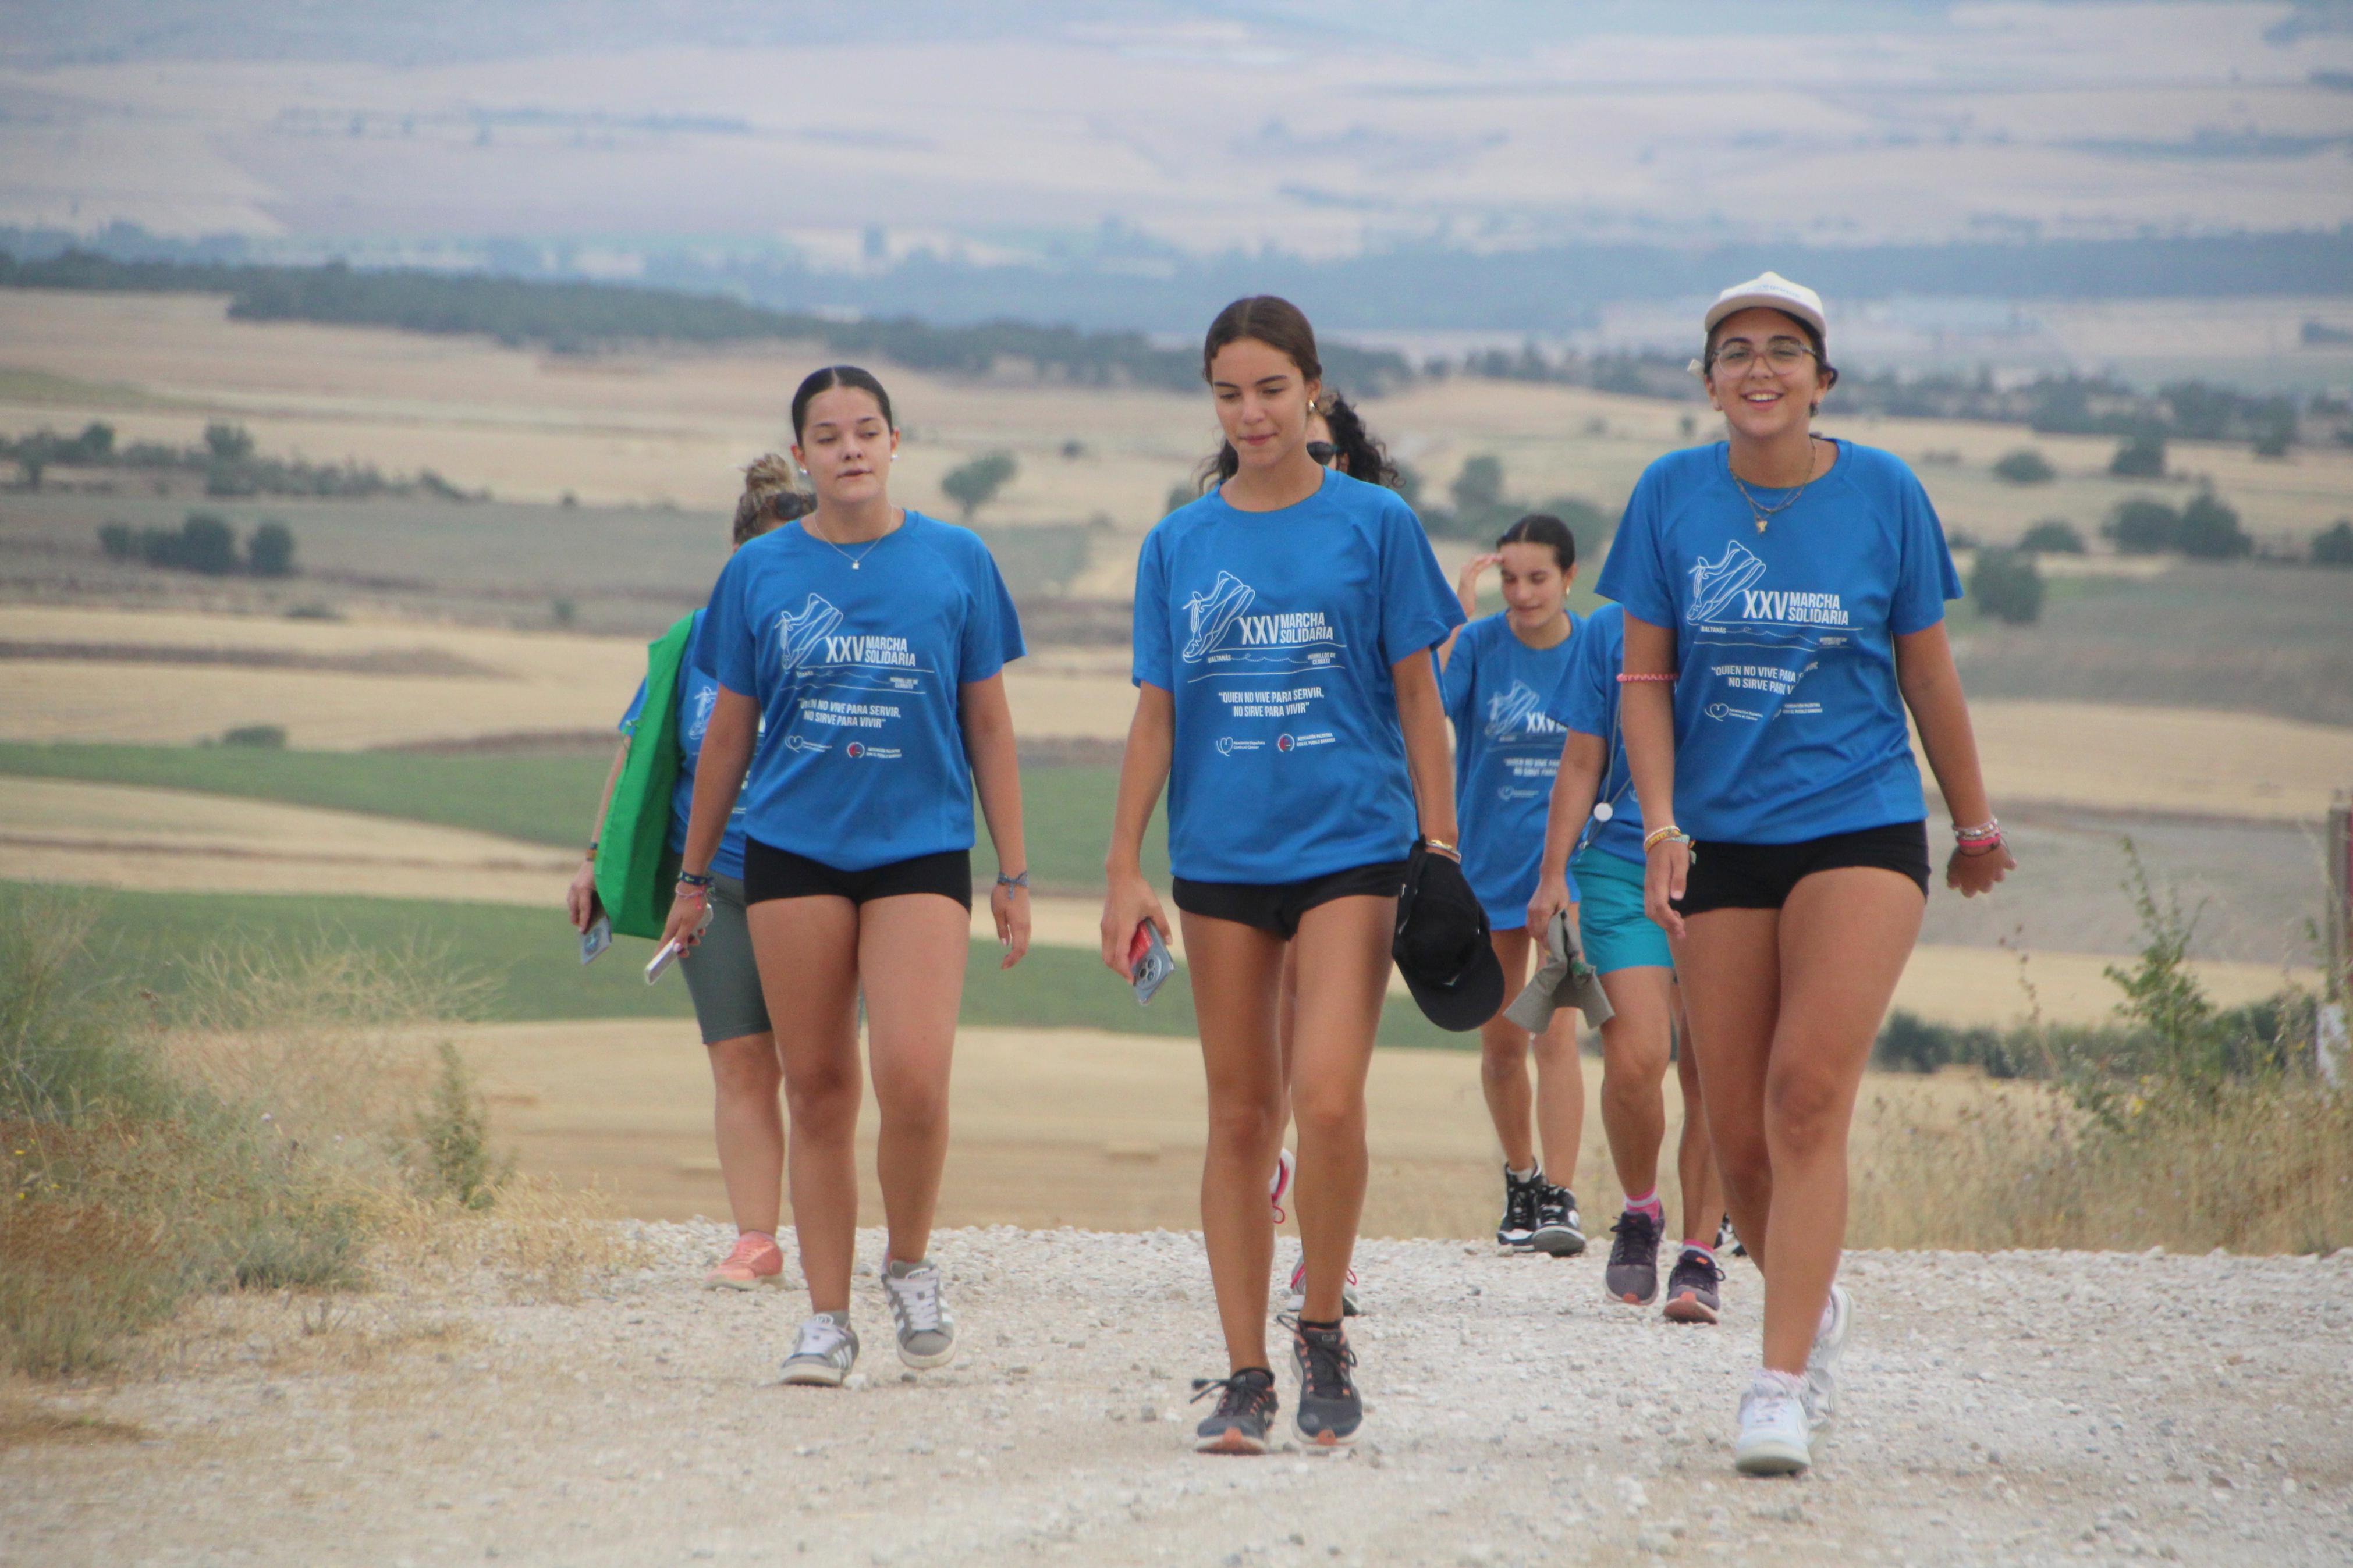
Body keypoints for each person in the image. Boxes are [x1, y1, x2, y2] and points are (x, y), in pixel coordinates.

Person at [1599, 272, 2013, 1474]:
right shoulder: (1668, 496)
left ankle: (1773, 1381)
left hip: (1856, 824)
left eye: (1783, 349)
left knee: (1801, 1095)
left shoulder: (1883, 492)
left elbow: (1924, 673)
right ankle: (1809, 1299)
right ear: (1709, 380)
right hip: (1720, 836)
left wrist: (1972, 824)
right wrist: (1662, 823)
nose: (1758, 367)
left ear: (1819, 377)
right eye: (1734, 351)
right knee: (1733, 1132)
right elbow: (1639, 679)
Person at [1101, 297, 1462, 1455]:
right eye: (1226, 392)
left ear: (1312, 389)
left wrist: (1441, 848)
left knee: (1330, 1096)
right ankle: (1246, 1372)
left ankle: (1319, 1327)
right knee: (1238, 1112)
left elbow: (1418, 697)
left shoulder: (1375, 524)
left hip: (1350, 846)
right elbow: (1156, 715)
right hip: (1218, 860)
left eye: (1268, 388)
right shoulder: (1178, 543)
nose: (1248, 412)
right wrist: (1122, 866)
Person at [658, 365, 1033, 1388]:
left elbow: (989, 722)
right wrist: (692, 878)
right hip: (791, 849)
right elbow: (728, 729)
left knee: (911, 1075)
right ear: (804, 455)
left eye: (866, 431)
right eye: (827, 437)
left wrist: (1013, 868)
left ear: (896, 441)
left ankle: (907, 1265)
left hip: (918, 847)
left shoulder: (956, 559)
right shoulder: (758, 574)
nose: (850, 450)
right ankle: (825, 1319)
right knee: (817, 1086)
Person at [566, 459, 812, 1290]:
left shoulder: (840, 640)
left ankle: (841, 1232)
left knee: (821, 1071)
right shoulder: (691, 643)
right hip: (709, 886)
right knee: (740, 1062)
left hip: (816, 882)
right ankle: (754, 1238)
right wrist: (596, 858)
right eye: (762, 558)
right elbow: (639, 753)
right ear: (736, 557)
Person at [1527, 598, 1729, 1323]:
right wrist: (1553, 873)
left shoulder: (1747, 615)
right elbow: (1583, 755)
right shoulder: (1608, 630)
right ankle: (1640, 1208)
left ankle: (1700, 1253)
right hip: (1617, 864)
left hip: (1734, 865)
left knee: (1713, 1069)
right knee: (1638, 1056)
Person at [1435, 514, 1589, 1258]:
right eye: (1510, 579)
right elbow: (1424, 707)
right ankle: (1521, 1180)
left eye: (1537, 578)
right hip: (1486, 870)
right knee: (1500, 1044)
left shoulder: (1592, 649)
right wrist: (1454, 621)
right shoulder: (1480, 646)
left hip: (1562, 876)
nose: (1523, 593)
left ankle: (1559, 1195)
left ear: (1568, 576)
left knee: (1556, 1033)